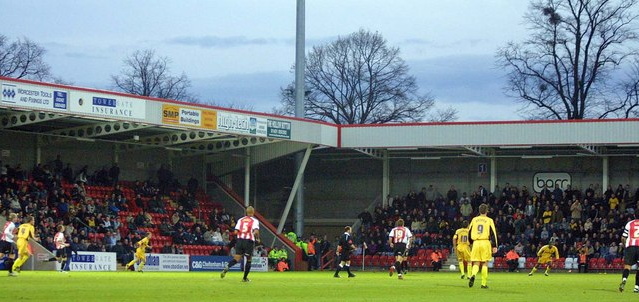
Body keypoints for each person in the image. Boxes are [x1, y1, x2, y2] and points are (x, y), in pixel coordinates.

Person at [221, 206, 260, 282]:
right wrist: (256, 237)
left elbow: (235, 232)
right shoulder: (254, 221)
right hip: (248, 241)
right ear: (253, 212)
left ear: (246, 212)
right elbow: (256, 231)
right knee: (249, 259)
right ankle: (245, 278)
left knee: (236, 258)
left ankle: (227, 266)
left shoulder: (240, 220)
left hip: (239, 240)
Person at [467, 204, 498, 289]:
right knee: (485, 263)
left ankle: (473, 275)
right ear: (487, 211)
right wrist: (494, 245)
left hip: (476, 243)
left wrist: (470, 243)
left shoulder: (474, 219)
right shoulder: (489, 220)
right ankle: (483, 284)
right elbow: (493, 234)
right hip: (485, 242)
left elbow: (469, 233)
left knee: (476, 262)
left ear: (479, 211)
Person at [619, 214, 639, 292]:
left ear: (634, 215)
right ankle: (636, 287)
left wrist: (625, 246)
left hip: (630, 246)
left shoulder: (630, 223)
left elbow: (623, 237)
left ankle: (624, 280)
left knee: (627, 266)